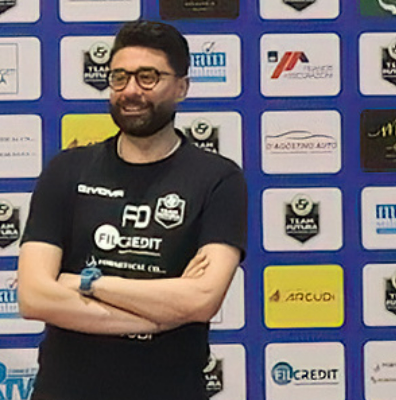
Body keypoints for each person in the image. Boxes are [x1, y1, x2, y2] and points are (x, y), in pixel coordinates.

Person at [17, 20, 247, 400]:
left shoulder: (218, 179)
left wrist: (85, 282)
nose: (131, 91)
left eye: (148, 77)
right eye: (119, 77)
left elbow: (201, 300)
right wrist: (158, 316)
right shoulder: (67, 169)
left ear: (182, 87)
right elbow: (35, 297)